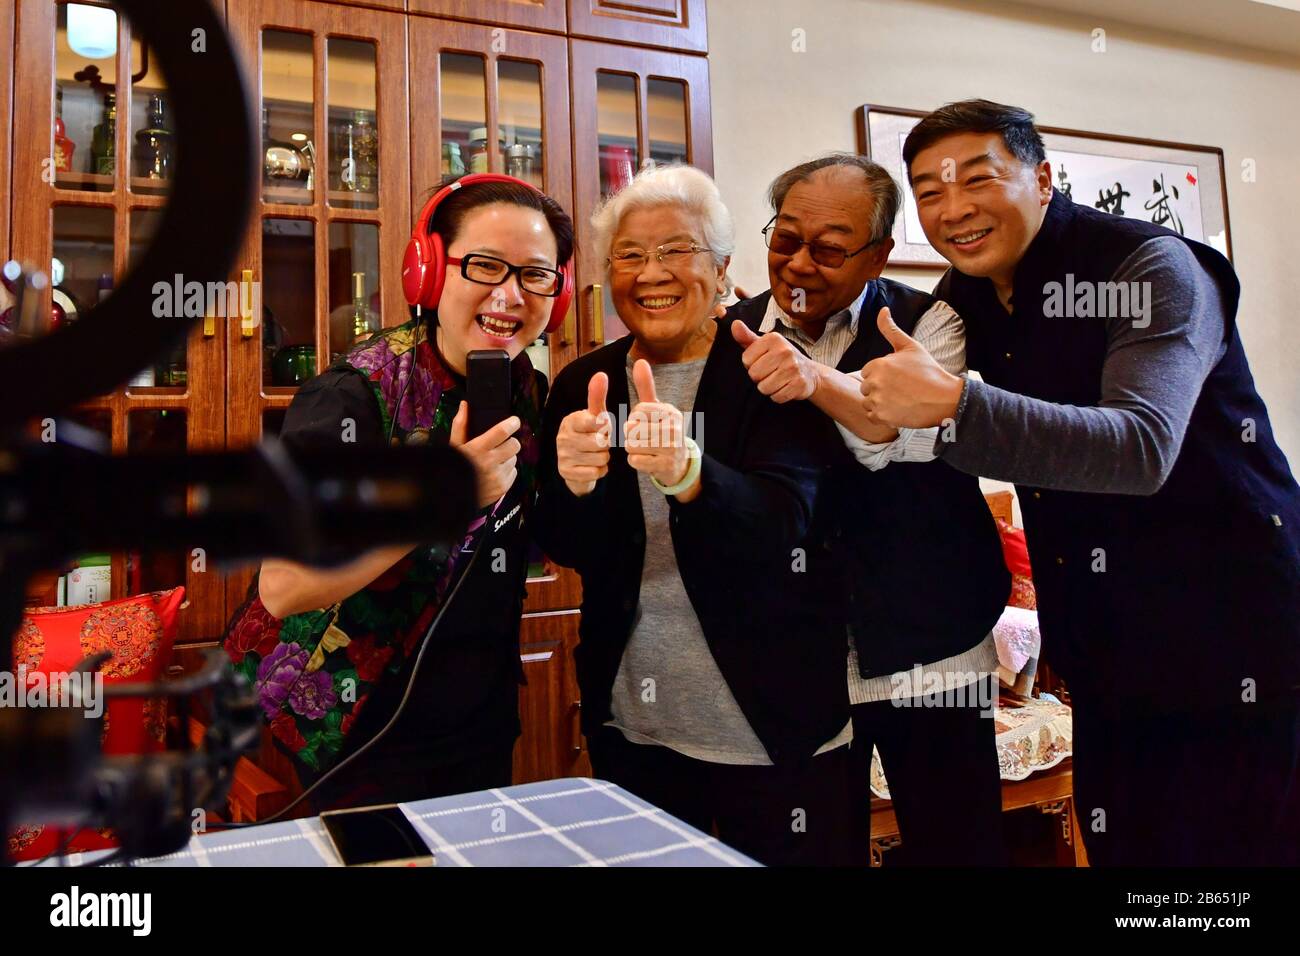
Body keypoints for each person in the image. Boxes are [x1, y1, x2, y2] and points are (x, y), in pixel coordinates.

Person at [861, 98, 1300, 865]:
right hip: (1109, 646)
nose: (953, 208)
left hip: (1236, 632)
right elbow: (905, 419)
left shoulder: (1151, 267)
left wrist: (957, 403)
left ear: (1042, 176)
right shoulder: (969, 295)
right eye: (929, 191)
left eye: (977, 178)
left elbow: (1139, 446)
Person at [533, 164, 865, 866]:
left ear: (721, 271)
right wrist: (572, 486)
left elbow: (786, 523)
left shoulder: (772, 368)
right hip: (636, 726)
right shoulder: (581, 383)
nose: (651, 272)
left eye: (676, 250)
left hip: (777, 728)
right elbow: (565, 543)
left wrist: (690, 475)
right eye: (629, 254)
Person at [222, 173, 575, 809]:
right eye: (485, 266)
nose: (510, 294)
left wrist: (577, 478)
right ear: (430, 271)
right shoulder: (354, 397)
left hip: (476, 710)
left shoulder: (529, 391)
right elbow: (284, 584)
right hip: (355, 721)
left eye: (535, 275)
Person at [726, 154, 1009, 865]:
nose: (797, 265)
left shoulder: (926, 323)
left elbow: (904, 441)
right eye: (784, 240)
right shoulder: (727, 337)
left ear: (878, 253)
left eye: (828, 249)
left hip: (933, 650)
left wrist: (810, 376)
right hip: (795, 661)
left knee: (959, 847)